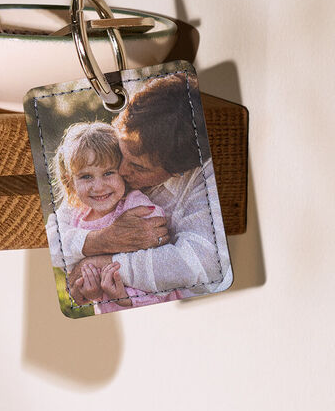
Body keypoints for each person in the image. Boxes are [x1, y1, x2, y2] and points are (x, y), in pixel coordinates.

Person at [47, 73, 231, 306]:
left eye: (138, 167)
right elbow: (54, 238)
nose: (121, 170)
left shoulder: (206, 180)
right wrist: (101, 240)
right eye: (121, 153)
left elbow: (200, 261)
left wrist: (97, 265)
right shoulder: (105, 160)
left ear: (176, 172)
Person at [48, 121, 166, 312]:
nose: (98, 187)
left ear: (124, 172)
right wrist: (90, 292)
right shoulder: (76, 216)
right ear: (71, 181)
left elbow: (163, 271)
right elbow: (68, 267)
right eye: (86, 176)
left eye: (108, 173)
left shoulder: (139, 209)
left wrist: (128, 298)